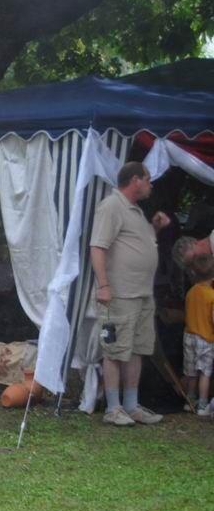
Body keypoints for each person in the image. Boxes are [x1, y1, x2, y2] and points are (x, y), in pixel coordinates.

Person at [89, 162, 171, 427]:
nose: (151, 185)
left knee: (136, 348)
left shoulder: (135, 211)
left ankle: (131, 405)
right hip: (119, 294)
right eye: (147, 179)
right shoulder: (111, 207)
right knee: (114, 349)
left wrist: (154, 229)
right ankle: (113, 408)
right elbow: (98, 247)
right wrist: (103, 286)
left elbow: (139, 246)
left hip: (141, 294)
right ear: (135, 180)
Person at [182, 253, 214, 416]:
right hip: (206, 338)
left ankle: (190, 400)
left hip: (189, 335)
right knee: (205, 373)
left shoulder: (191, 292)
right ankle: (202, 405)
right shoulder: (211, 296)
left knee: (191, 371)